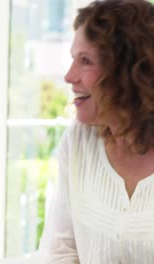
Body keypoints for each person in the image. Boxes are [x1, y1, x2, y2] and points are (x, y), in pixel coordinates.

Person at [37, 0, 154, 263]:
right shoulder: (78, 141)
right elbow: (59, 251)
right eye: (73, 59)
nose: (69, 76)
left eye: (85, 61)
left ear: (129, 71)